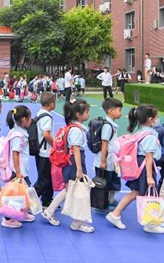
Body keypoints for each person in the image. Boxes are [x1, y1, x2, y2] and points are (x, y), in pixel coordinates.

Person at [105, 104, 164, 233]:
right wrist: (149, 177)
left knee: (135, 192)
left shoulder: (140, 132)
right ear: (150, 119)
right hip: (144, 168)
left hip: (138, 166)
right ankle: (150, 224)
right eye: (156, 117)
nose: (157, 119)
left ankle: (115, 214)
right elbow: (149, 157)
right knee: (147, 195)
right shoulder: (150, 136)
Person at [43, 98, 94, 233]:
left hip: (69, 161)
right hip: (74, 162)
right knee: (78, 191)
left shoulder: (69, 127)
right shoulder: (76, 130)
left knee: (70, 189)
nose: (88, 114)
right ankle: (77, 222)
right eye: (87, 112)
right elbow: (76, 149)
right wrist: (79, 169)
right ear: (78, 114)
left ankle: (50, 211)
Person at [4, 105, 37, 227]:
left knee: (25, 192)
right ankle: (8, 218)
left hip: (22, 169)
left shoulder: (19, 132)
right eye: (30, 118)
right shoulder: (17, 135)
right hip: (18, 170)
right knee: (15, 194)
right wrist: (18, 171)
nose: (31, 120)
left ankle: (22, 212)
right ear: (24, 119)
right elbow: (15, 153)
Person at [94, 97, 123, 210]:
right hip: (105, 161)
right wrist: (103, 160)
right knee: (104, 183)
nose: (120, 112)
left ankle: (109, 199)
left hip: (111, 160)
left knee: (112, 181)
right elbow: (104, 143)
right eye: (119, 110)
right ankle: (101, 203)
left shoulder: (112, 125)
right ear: (111, 111)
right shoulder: (107, 126)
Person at [33, 93, 56, 210]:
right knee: (43, 179)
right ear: (51, 104)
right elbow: (46, 134)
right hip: (45, 151)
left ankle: (47, 200)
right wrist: (55, 144)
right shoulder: (47, 117)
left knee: (48, 176)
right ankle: (29, 199)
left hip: (40, 150)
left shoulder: (39, 114)